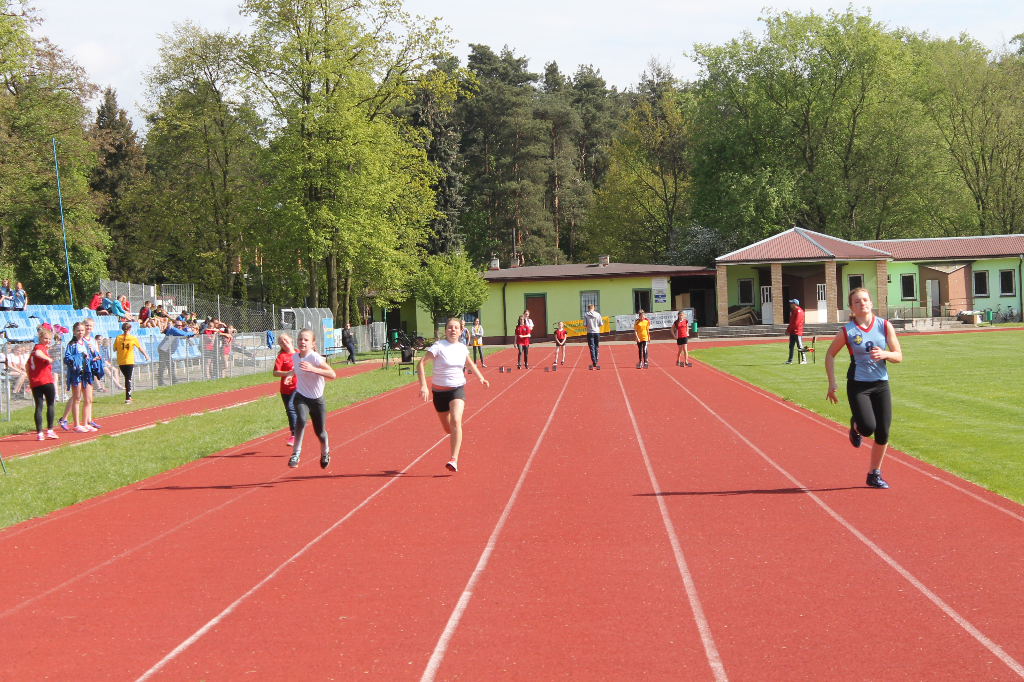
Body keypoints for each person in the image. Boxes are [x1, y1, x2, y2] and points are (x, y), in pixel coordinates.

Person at [826, 287, 904, 489]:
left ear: (871, 302)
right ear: (851, 307)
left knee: (883, 432)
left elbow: (898, 356)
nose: (862, 304)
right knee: (868, 427)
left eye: (865, 300)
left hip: (881, 384)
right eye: (857, 302)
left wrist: (885, 354)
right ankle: (856, 426)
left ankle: (874, 474)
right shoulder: (847, 331)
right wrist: (831, 382)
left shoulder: (885, 326)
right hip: (858, 385)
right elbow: (830, 354)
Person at [417, 317, 490, 472]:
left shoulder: (462, 347)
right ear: (445, 331)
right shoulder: (438, 346)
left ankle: (453, 459)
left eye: (456, 328)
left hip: (457, 389)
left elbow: (469, 364)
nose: (453, 330)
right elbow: (421, 364)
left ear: (461, 330)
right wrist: (423, 385)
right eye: (450, 327)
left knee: (456, 421)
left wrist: (481, 378)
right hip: (438, 392)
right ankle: (457, 437)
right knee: (449, 429)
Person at [285, 328, 337, 469]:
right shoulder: (295, 357)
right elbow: (297, 367)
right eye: (300, 339)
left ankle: (325, 452)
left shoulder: (315, 358)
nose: (302, 342)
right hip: (301, 396)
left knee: (319, 432)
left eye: (306, 340)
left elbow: (332, 374)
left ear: (312, 344)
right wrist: (290, 374)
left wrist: (313, 369)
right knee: (301, 419)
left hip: (317, 400)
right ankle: (296, 453)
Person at [60, 322, 95, 433]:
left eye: (82, 330)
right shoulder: (72, 345)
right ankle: (76, 425)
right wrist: (78, 359)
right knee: (77, 398)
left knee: (88, 398)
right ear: (74, 331)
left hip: (86, 373)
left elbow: (90, 356)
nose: (80, 333)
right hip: (76, 374)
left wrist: (92, 356)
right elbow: (67, 358)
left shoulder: (85, 343)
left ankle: (85, 423)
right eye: (78, 330)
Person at [28, 326, 58, 441]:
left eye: (49, 339)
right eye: (46, 338)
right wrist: (48, 359)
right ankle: (49, 430)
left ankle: (40, 433)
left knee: (39, 406)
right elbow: (38, 353)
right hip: (45, 381)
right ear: (40, 337)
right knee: (50, 404)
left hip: (35, 382)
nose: (48, 341)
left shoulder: (35, 350)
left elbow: (28, 365)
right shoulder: (39, 348)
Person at [272, 333, 298, 447]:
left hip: (298, 387)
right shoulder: (282, 357)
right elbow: (275, 372)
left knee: (291, 407)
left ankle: (294, 434)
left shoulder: (299, 354)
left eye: (286, 340)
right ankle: (297, 428)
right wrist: (288, 373)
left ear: (291, 339)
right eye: (281, 342)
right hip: (285, 389)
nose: (284, 342)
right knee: (289, 411)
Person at [114, 322, 149, 404]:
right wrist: (146, 356)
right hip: (129, 361)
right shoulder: (133, 338)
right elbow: (140, 348)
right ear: (130, 329)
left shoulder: (118, 338)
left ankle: (128, 396)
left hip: (121, 361)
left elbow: (114, 349)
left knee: (127, 378)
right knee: (128, 379)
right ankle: (128, 398)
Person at [157, 319, 194, 386]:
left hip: (167, 351)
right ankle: (163, 381)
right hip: (164, 349)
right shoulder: (174, 329)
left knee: (170, 365)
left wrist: (189, 334)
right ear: (175, 325)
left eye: (180, 325)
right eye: (178, 325)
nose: (179, 327)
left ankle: (172, 380)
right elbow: (183, 334)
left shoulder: (178, 331)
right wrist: (192, 333)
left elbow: (183, 336)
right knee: (164, 366)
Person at [785, 299, 807, 365]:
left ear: (795, 304)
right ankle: (790, 360)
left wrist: (789, 330)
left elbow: (796, 323)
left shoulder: (799, 311)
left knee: (800, 346)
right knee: (791, 346)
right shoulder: (793, 311)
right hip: (792, 332)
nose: (790, 304)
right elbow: (791, 323)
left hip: (797, 332)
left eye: (792, 303)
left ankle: (804, 359)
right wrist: (788, 330)